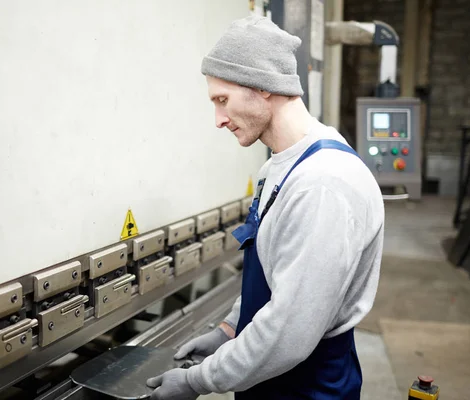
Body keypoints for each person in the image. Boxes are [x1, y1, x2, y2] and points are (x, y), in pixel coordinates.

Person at [146, 15, 385, 400]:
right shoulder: (278, 167)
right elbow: (276, 274)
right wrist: (228, 329)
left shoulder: (322, 185)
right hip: (268, 378)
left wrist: (197, 381)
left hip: (307, 386)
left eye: (222, 100)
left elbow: (289, 332)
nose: (219, 119)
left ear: (264, 87)